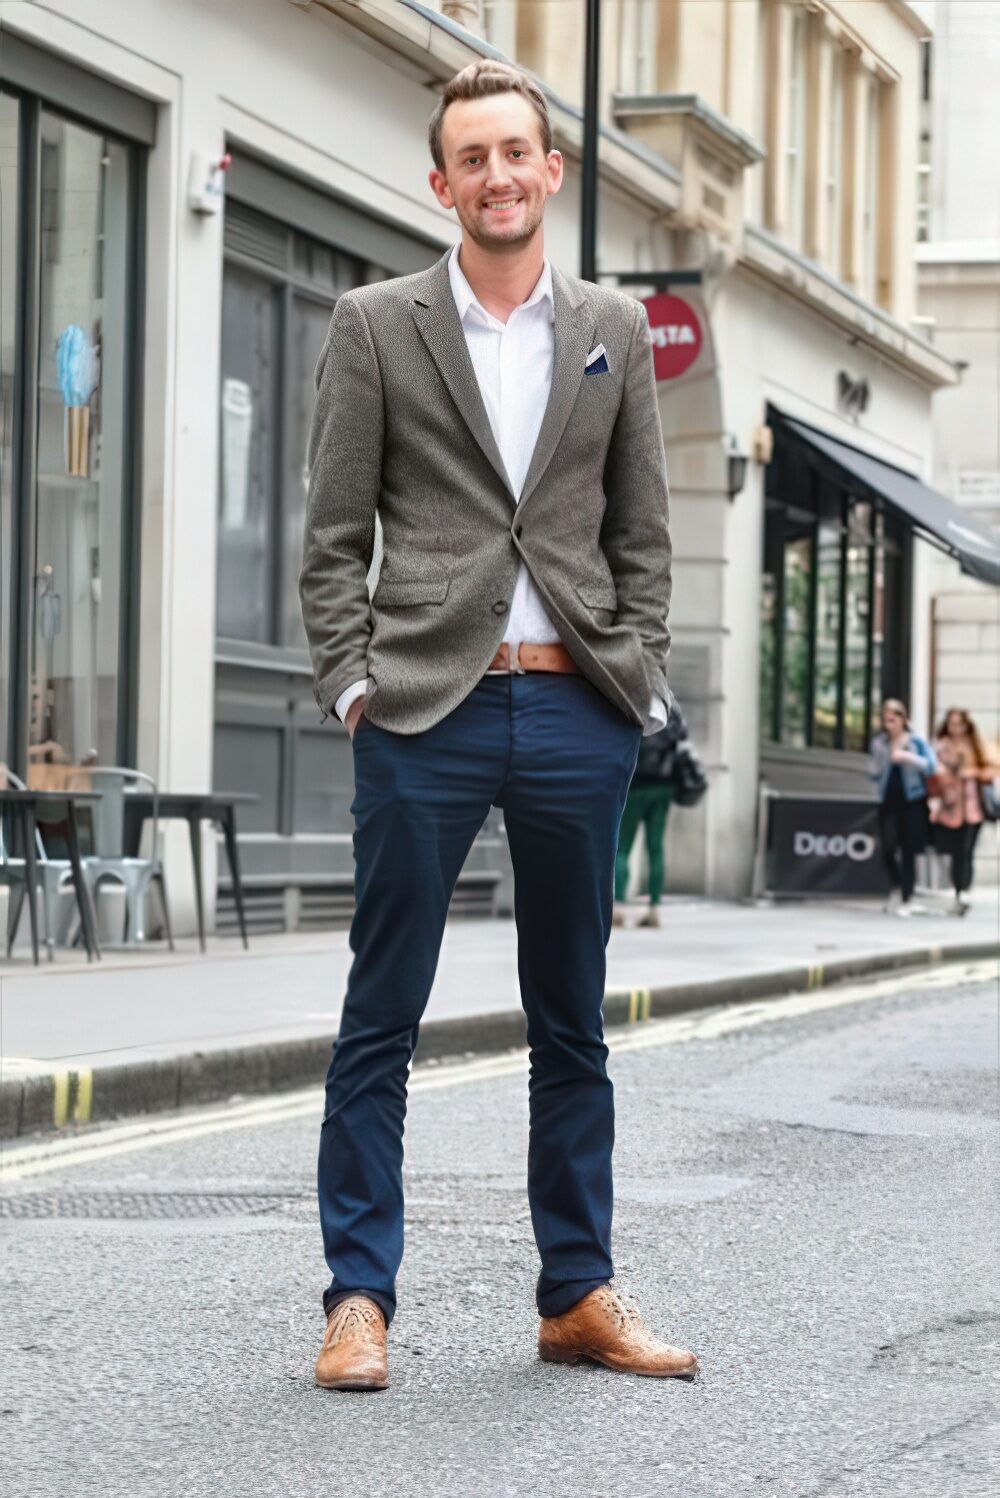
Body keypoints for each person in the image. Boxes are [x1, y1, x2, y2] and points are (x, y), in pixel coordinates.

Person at [299, 60, 697, 1391]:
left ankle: (577, 1290)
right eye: (472, 157)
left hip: (574, 702)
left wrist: (630, 677)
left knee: (570, 1018)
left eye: (517, 152)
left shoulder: (617, 330)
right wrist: (354, 684)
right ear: (443, 182)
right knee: (382, 1016)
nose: (498, 174)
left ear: (551, 170)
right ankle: (359, 1298)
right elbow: (330, 535)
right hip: (425, 704)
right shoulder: (375, 322)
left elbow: (642, 528)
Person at [613, 702, 688, 928]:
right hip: (663, 785)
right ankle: (654, 908)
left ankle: (618, 908)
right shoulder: (670, 706)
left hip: (635, 784)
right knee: (655, 848)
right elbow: (681, 740)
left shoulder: (631, 694)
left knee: (622, 847)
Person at [870, 699, 936, 917]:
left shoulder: (916, 741)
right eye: (886, 718)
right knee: (888, 847)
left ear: (903, 719)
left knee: (909, 848)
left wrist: (907, 756)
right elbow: (874, 772)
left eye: (895, 717)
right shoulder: (879, 743)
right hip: (888, 800)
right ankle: (896, 886)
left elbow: (931, 766)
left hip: (912, 800)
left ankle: (907, 895)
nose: (891, 722)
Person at [931, 708, 995, 914]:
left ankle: (963, 890)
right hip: (951, 807)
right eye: (952, 723)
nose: (956, 728)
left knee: (967, 850)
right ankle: (958, 889)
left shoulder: (975, 745)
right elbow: (935, 775)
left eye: (959, 723)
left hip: (974, 807)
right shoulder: (942, 747)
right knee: (955, 850)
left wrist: (972, 772)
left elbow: (992, 768)